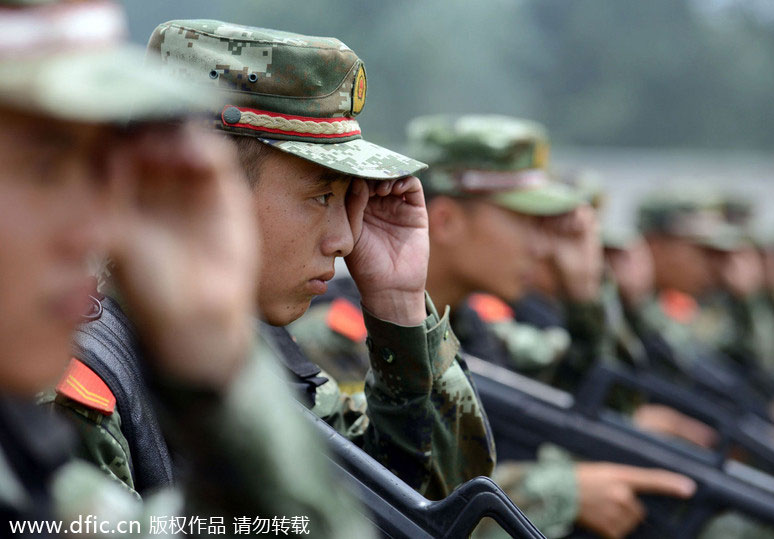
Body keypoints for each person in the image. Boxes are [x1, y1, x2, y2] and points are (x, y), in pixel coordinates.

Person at [50, 19, 495, 502]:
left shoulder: (254, 352)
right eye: (322, 197)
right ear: (197, 186)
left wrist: (399, 306)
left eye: (351, 201)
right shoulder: (76, 386)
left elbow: (440, 508)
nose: (346, 239)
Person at [0, 1, 370, 537]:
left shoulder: (46, 491)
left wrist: (219, 377)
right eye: (43, 168)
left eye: (99, 170)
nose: (97, 229)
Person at [292, 114, 697, 538]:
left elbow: (607, 406)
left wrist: (584, 295)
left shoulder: (481, 329)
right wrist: (552, 492)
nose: (540, 247)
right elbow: (381, 498)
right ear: (446, 221)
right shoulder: (338, 336)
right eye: (522, 222)